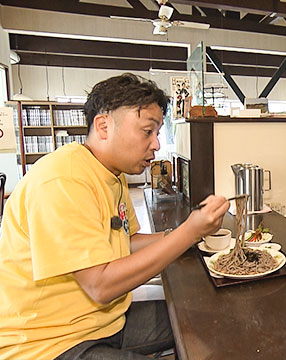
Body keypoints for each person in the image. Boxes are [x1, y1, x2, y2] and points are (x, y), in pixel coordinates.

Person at [0, 73, 230, 359]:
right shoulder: (63, 179)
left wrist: (185, 233)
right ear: (104, 126)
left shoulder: (112, 173)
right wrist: (189, 233)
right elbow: (101, 285)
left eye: (157, 133)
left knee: (211, 322)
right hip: (49, 343)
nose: (156, 144)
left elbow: (127, 240)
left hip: (105, 322)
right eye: (148, 131)